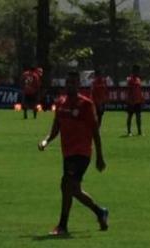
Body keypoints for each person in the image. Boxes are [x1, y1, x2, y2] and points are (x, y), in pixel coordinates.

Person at [38, 71, 109, 236]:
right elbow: (56, 127)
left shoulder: (85, 104)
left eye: (73, 83)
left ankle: (63, 225)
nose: (69, 85)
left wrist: (99, 156)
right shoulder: (61, 103)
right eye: (67, 82)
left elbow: (95, 132)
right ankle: (100, 212)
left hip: (82, 152)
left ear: (78, 85)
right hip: (68, 152)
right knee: (72, 189)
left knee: (66, 185)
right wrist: (46, 140)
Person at [126, 65, 144, 136]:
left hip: (138, 101)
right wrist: (130, 100)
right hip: (131, 101)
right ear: (134, 71)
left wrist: (142, 98)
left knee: (138, 116)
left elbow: (139, 90)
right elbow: (129, 91)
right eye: (138, 71)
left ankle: (139, 132)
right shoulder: (130, 80)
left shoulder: (138, 79)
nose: (139, 72)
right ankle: (129, 131)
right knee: (130, 116)